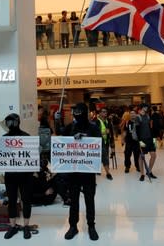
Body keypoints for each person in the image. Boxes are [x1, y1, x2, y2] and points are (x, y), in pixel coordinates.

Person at [57, 103, 100, 241]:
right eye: (74, 111)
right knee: (73, 199)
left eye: (78, 111)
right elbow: (60, 136)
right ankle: (73, 226)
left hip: (87, 170)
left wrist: (84, 139)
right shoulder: (71, 127)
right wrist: (58, 121)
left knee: (89, 199)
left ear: (85, 111)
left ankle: (91, 226)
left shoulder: (93, 127)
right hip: (74, 170)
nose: (76, 113)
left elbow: (98, 144)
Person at [2, 113, 33, 240]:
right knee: (12, 201)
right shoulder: (3, 138)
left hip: (25, 175)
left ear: (17, 122)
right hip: (10, 175)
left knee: (26, 200)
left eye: (12, 122)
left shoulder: (26, 137)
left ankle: (26, 226)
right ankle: (13, 226)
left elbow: (31, 155)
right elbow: (0, 155)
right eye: (8, 122)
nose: (10, 124)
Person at [135, 104, 157, 181]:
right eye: (145, 107)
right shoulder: (138, 117)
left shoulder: (148, 116)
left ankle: (149, 171)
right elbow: (137, 130)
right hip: (142, 140)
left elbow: (151, 128)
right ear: (141, 108)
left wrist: (154, 139)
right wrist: (139, 141)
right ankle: (142, 174)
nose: (146, 108)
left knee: (154, 155)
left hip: (150, 139)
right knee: (141, 156)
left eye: (147, 107)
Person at [94, 107, 115, 180]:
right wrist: (103, 132)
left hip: (106, 142)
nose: (105, 113)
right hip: (98, 142)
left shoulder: (108, 121)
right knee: (99, 156)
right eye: (103, 112)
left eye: (105, 112)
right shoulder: (95, 121)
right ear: (99, 113)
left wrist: (112, 146)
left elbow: (111, 133)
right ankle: (100, 171)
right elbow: (93, 132)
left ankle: (107, 172)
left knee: (105, 157)